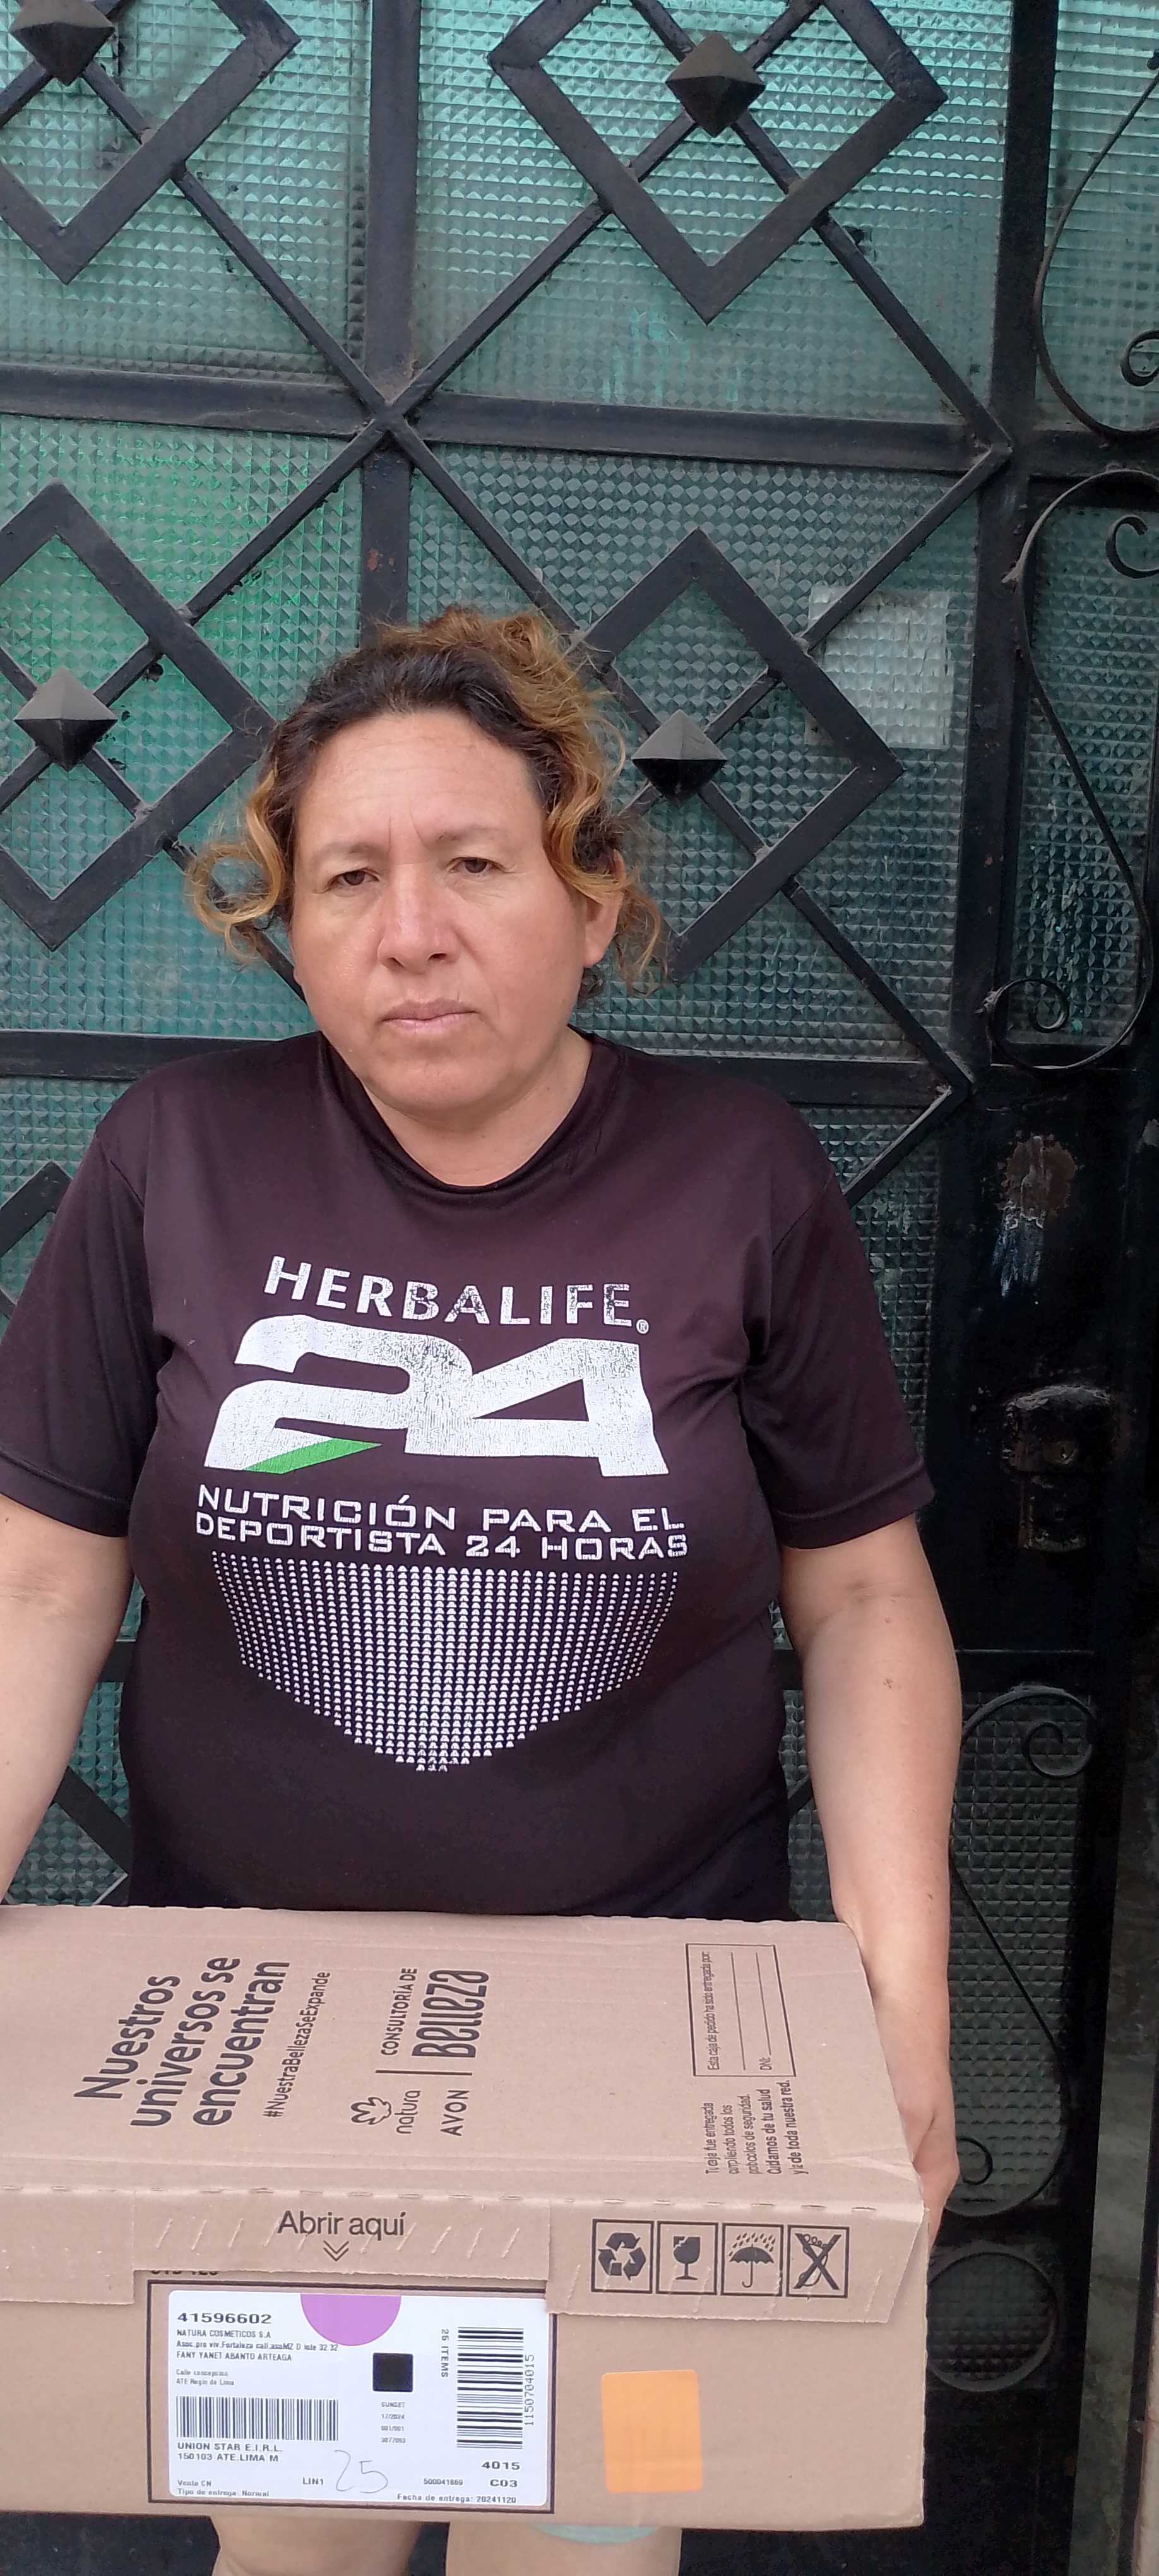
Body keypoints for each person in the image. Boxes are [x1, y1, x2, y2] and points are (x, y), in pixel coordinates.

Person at [0, 605, 961, 2576]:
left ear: (590, 900)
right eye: (348, 878)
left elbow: (863, 1599)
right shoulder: (177, 1158)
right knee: (300, 2547)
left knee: (586, 2547)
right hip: (253, 2051)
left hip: (645, 2067)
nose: (410, 932)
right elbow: (35, 1581)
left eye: (472, 864)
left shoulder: (738, 1175)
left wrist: (903, 1996)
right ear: (287, 923)